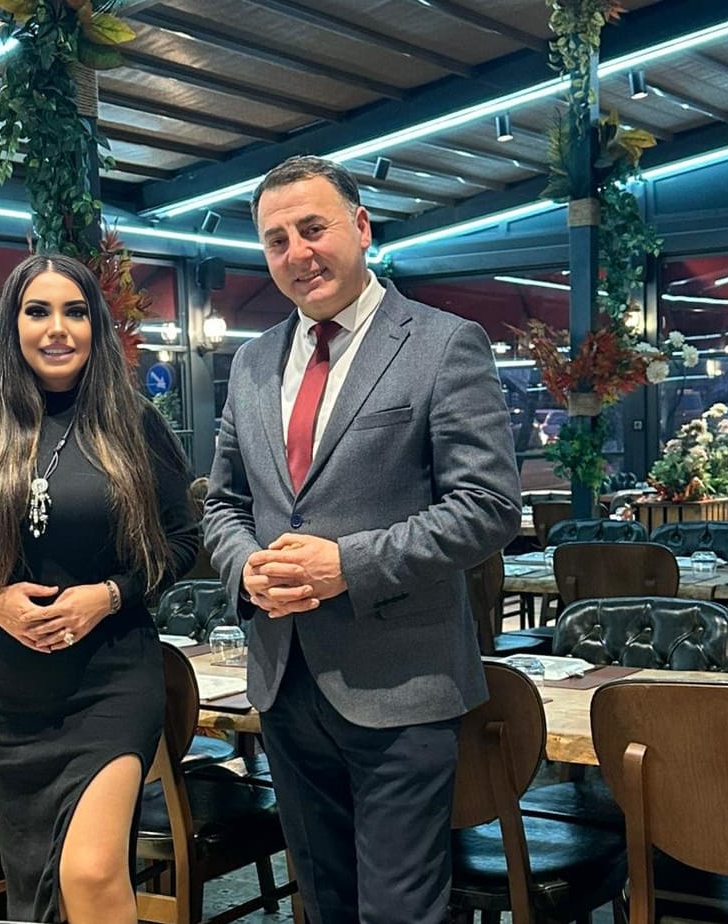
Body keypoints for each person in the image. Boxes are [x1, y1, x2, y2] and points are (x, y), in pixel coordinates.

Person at [202, 156, 522, 924]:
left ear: (361, 227)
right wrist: (246, 569)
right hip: (283, 683)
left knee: (398, 912)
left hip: (401, 686)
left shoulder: (444, 343)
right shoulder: (252, 363)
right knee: (322, 904)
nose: (297, 253)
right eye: (276, 240)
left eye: (312, 229)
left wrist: (349, 563)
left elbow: (488, 506)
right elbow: (223, 504)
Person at [0, 253, 198, 924]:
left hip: (112, 680)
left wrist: (109, 595)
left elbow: (183, 540)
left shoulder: (134, 422)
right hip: (10, 692)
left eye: (75, 312)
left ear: (95, 325)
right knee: (40, 895)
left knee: (92, 873)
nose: (57, 328)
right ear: (12, 325)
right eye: (37, 311)